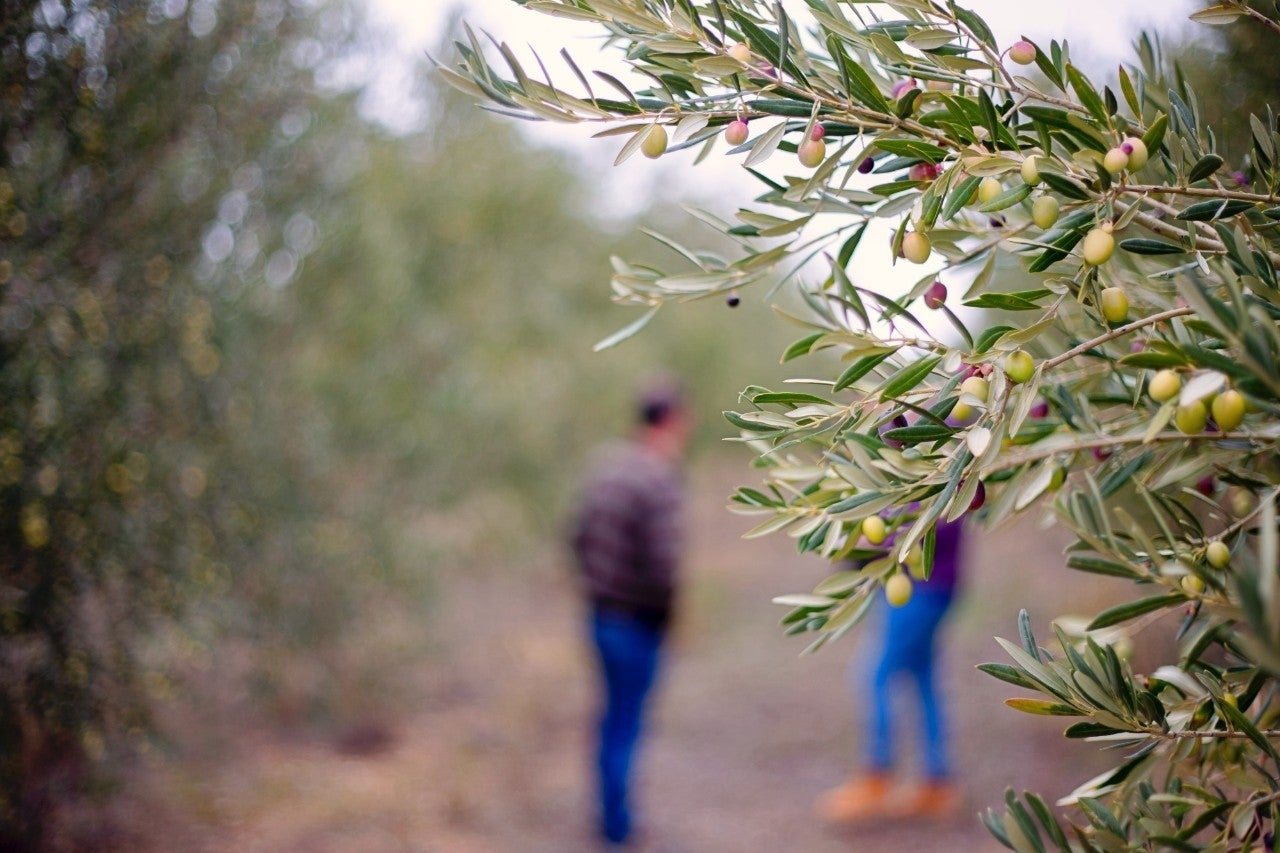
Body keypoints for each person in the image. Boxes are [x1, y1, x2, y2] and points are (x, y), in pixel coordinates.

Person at [570, 379, 690, 846]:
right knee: (626, 720)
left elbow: (577, 537)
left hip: (600, 615)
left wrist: (595, 585)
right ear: (673, 419)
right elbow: (664, 567)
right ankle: (617, 827)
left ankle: (608, 817)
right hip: (637, 623)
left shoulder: (606, 467)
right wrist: (669, 619)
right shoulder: (659, 476)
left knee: (609, 717)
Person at [818, 514, 966, 824]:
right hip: (931, 584)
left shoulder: (929, 477)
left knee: (874, 677)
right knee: (923, 675)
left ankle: (877, 776)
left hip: (921, 589)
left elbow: (921, 527)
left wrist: (868, 543)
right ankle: (938, 782)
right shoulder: (931, 474)